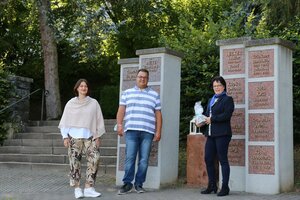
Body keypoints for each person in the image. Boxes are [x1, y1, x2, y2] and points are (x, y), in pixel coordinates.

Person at [116, 68, 162, 195]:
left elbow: (158, 114)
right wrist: (119, 125)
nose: (142, 79)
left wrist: (158, 131)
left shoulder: (154, 95)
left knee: (143, 160)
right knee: (130, 158)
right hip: (131, 131)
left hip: (148, 131)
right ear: (136, 78)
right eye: (140, 77)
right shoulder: (127, 93)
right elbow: (121, 111)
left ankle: (139, 184)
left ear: (148, 79)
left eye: (145, 77)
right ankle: (127, 184)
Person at [58, 79, 106, 199]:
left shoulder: (93, 103)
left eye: (85, 86)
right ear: (77, 88)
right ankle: (77, 189)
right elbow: (65, 122)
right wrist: (65, 137)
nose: (83, 88)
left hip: (90, 138)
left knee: (95, 159)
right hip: (74, 138)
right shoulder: (70, 103)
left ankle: (89, 187)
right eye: (81, 86)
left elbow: (98, 120)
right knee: (74, 163)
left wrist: (97, 136)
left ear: (88, 89)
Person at [197, 76, 234, 197]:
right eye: (215, 86)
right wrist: (200, 120)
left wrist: (212, 119)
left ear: (224, 86)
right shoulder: (211, 100)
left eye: (219, 85)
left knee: (223, 160)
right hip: (211, 134)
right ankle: (212, 185)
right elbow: (207, 115)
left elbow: (226, 115)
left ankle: (225, 187)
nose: (216, 88)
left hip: (223, 134)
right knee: (208, 159)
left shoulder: (228, 99)